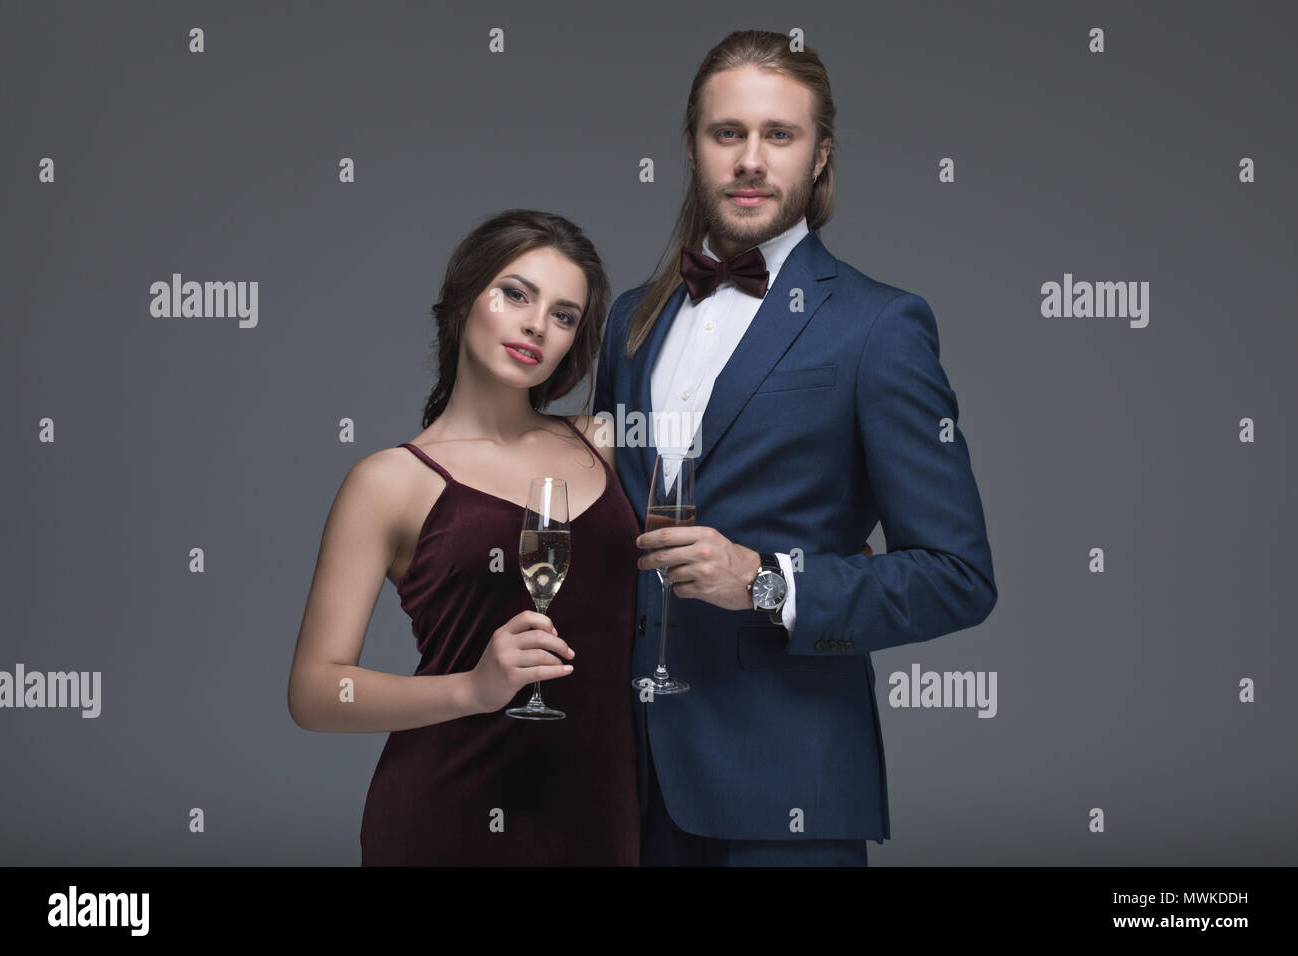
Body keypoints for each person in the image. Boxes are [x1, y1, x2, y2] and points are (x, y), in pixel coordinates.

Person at [592, 30, 997, 866]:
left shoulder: (880, 326)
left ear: (819, 157)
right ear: (694, 147)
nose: (750, 159)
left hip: (786, 789)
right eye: (726, 133)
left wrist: (769, 584)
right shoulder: (630, 318)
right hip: (617, 786)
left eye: (779, 134)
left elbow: (959, 577)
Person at [288, 209, 641, 865]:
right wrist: (472, 689)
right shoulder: (388, 481)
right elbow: (314, 692)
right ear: (462, 299)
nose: (538, 324)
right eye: (516, 293)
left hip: (603, 815)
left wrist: (813, 558)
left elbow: (709, 536)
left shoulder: (606, 444)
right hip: (447, 817)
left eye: (565, 315)